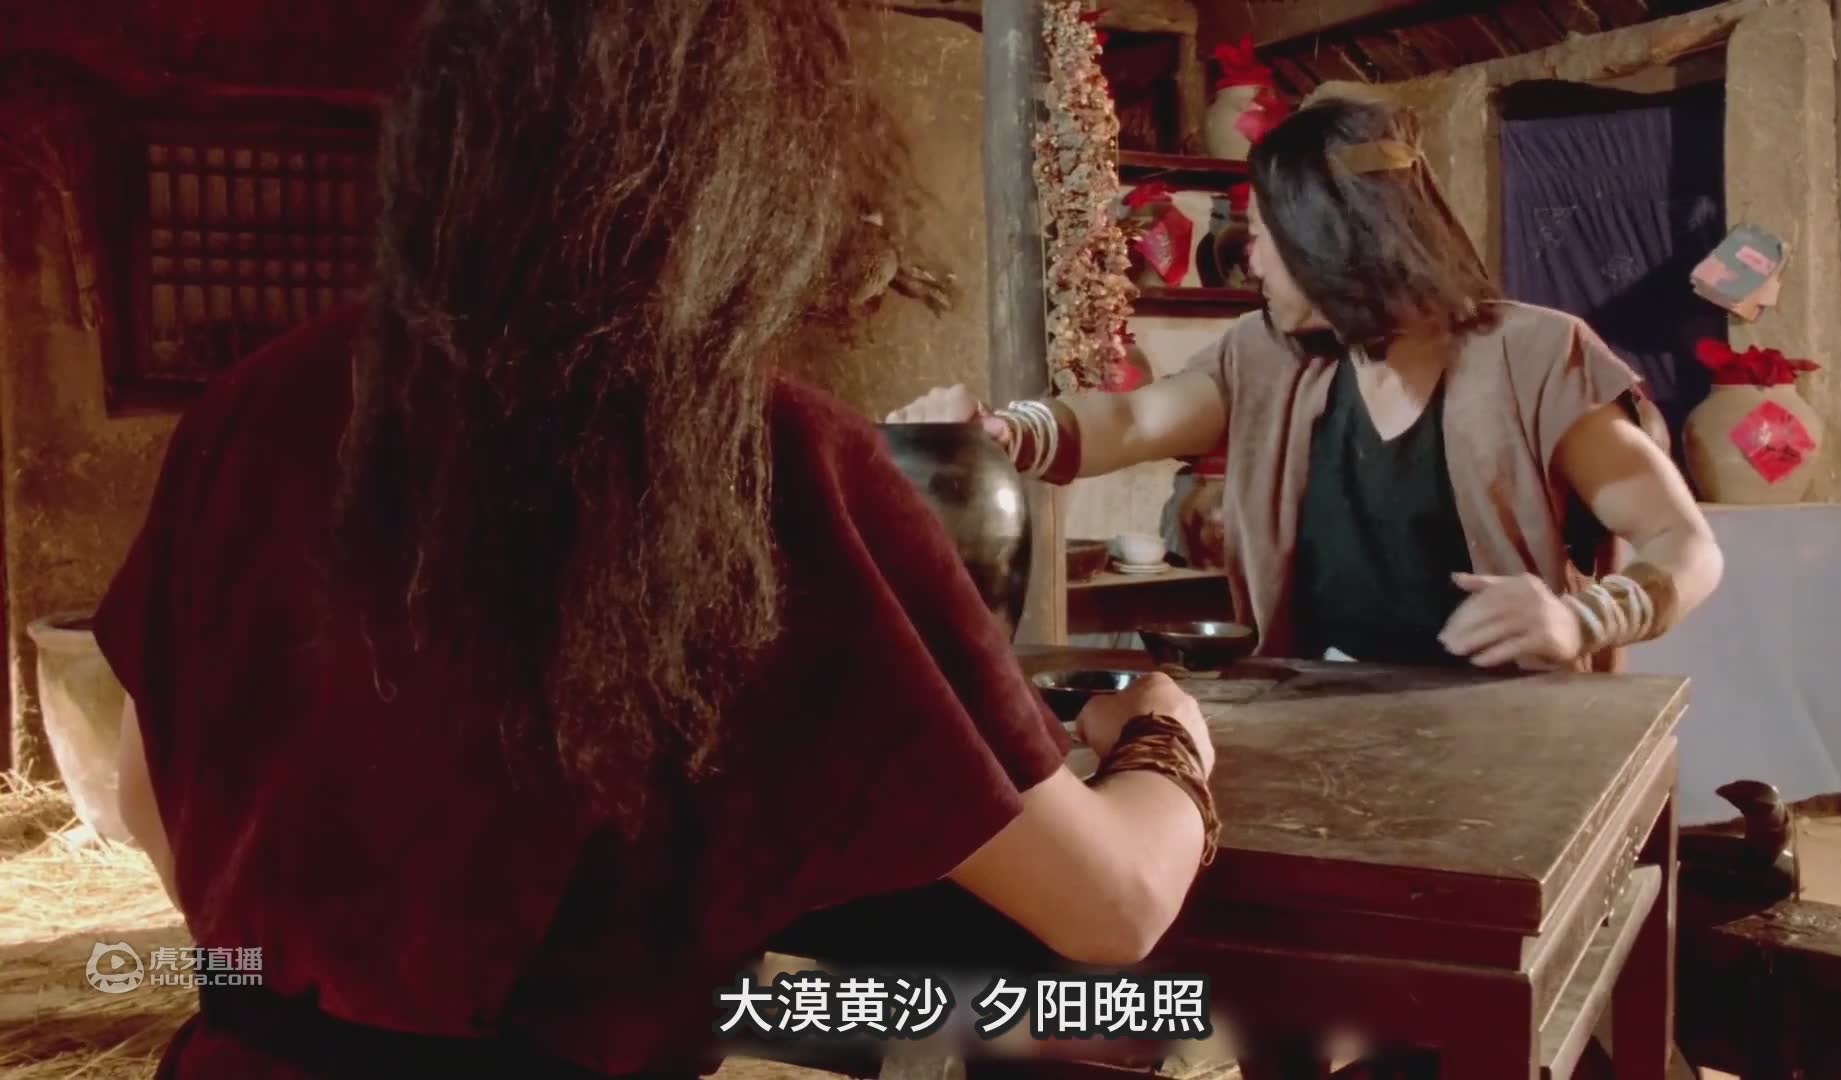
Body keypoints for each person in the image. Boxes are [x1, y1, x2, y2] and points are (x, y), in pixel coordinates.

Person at [94, 3, 1218, 1075]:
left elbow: (150, 804)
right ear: (752, 163)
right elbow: (1110, 905)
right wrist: (1166, 739)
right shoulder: (757, 457)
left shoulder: (249, 409)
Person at [892, 93, 1723, 674]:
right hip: (1326, 714)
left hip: (1509, 730)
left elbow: (1686, 546)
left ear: (1327, 239)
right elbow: (1136, 420)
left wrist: (1581, 618)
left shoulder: (1535, 357)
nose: (1249, 258)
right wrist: (1007, 432)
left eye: (1261, 233)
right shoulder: (1270, 357)